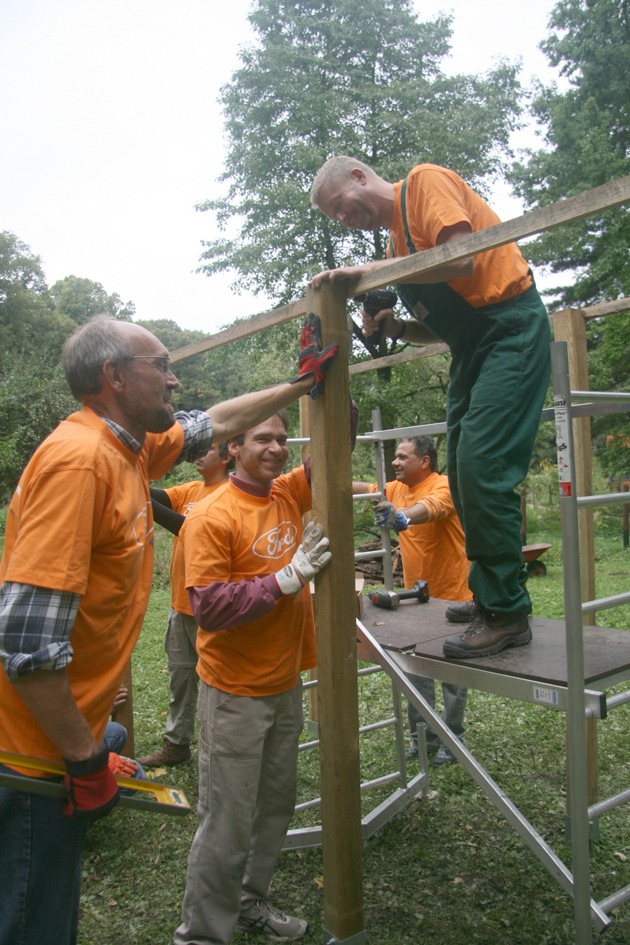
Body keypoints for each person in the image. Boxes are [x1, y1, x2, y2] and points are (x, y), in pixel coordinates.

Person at [0, 313, 339, 945]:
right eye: (163, 366)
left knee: (46, 914)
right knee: (31, 920)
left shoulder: (130, 448)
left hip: (60, 736)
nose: (175, 380)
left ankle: (243, 907)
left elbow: (220, 419)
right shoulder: (79, 462)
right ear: (115, 377)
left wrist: (301, 386)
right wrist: (85, 755)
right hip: (30, 750)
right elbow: (24, 637)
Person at [310, 156, 551, 659]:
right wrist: (393, 326)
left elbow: (461, 256)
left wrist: (368, 273)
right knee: (462, 476)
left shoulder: (422, 183)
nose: (342, 219)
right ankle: (488, 596)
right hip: (472, 349)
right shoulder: (398, 246)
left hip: (511, 329)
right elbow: (443, 330)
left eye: (340, 206)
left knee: (484, 468)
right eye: (333, 217)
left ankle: (507, 613)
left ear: (359, 177)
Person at [173, 407, 337, 945]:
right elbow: (209, 607)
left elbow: (340, 430)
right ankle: (201, 934)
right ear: (232, 448)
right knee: (226, 820)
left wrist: (327, 370)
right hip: (235, 691)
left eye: (283, 439)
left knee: (274, 807)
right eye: (263, 438)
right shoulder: (212, 514)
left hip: (284, 682)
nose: (276, 447)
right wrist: (285, 579)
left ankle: (249, 902)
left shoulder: (287, 493)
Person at [354, 434, 472, 765]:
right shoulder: (395, 488)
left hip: (453, 598)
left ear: (425, 462)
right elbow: (361, 488)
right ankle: (424, 740)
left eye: (403, 457)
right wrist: (315, 473)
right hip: (415, 597)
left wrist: (403, 516)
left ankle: (454, 741)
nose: (395, 462)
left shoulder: (444, 485)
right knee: (416, 672)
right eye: (395, 457)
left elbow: (430, 509)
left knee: (452, 676)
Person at [138, 443, 232, 768]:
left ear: (227, 455)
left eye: (207, 449)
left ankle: (217, 750)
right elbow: (149, 496)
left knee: (216, 685)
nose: (198, 455)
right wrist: (129, 474)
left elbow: (188, 529)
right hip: (180, 605)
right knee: (181, 679)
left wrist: (138, 494)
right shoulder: (192, 490)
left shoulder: (228, 494)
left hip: (211, 612)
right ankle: (177, 745)